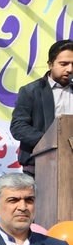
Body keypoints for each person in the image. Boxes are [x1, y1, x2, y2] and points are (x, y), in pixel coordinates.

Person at [10, 39, 73, 170]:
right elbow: (18, 126)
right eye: (64, 64)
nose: (70, 69)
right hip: (39, 164)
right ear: (50, 64)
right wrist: (52, 141)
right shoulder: (30, 91)